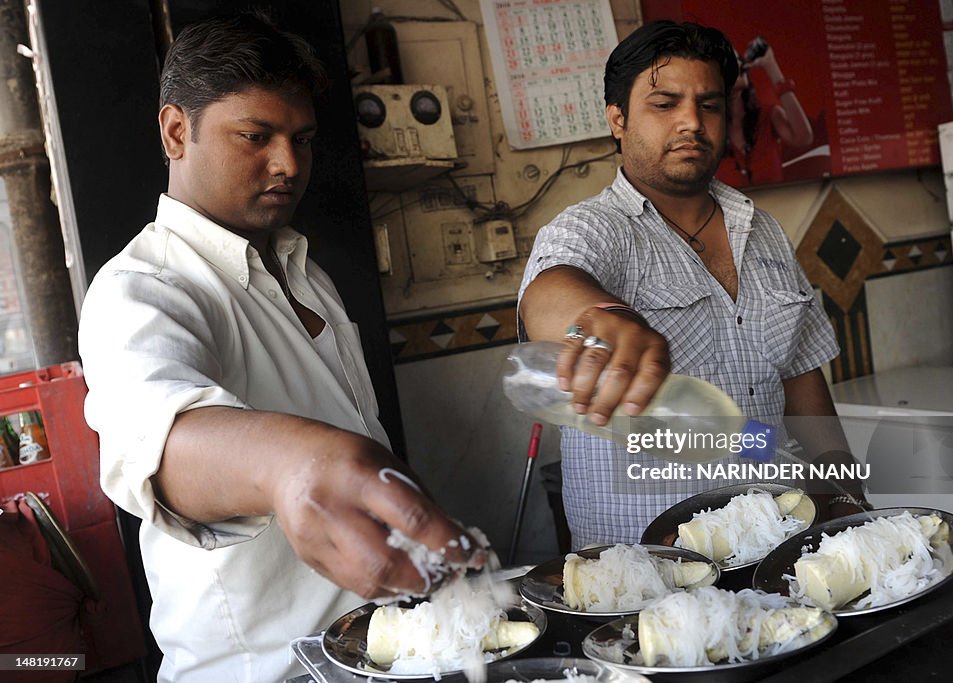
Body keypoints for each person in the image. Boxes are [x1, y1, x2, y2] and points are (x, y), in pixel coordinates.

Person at [77, 13, 482, 682]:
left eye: (301, 139)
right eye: (255, 136)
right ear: (177, 131)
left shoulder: (304, 271)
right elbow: (159, 439)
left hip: (380, 651)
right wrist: (287, 467)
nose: (288, 164)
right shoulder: (142, 288)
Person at [518, 20, 868, 549]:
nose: (692, 122)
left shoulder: (762, 229)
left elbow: (801, 377)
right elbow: (549, 293)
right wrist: (601, 320)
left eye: (708, 105)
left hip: (781, 543)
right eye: (664, 104)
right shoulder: (592, 229)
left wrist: (844, 494)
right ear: (618, 119)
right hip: (649, 575)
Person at [717, 35, 814, 187]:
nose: (738, 63)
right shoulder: (708, 129)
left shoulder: (768, 116)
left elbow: (803, 137)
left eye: (738, 59)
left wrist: (771, 66)